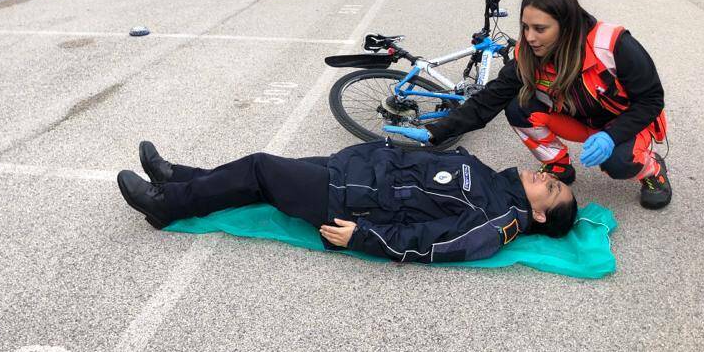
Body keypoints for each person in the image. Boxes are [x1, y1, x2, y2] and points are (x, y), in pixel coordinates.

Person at [401, 0, 671, 210]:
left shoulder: (613, 44)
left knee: (618, 163)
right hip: (581, 120)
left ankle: (653, 170)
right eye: (525, 27)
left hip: (627, 122)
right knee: (518, 107)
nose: (529, 37)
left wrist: (612, 136)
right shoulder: (528, 54)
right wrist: (436, 132)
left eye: (540, 29)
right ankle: (558, 165)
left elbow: (651, 100)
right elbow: (489, 99)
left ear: (566, 25)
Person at [117, 139, 577, 262]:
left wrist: (363, 238)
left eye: (550, 188)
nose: (544, 176)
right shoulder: (499, 184)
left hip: (352, 202)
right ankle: (178, 178)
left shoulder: (497, 221)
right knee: (262, 176)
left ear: (538, 213)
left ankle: (167, 206)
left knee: (261, 167)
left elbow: (431, 244)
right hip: (359, 171)